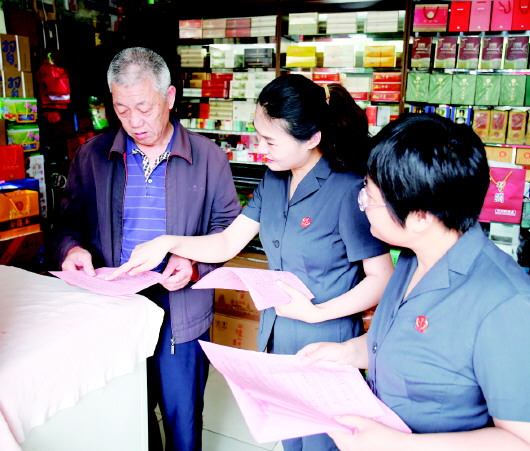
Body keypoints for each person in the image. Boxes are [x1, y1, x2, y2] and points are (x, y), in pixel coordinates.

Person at [109, 74, 394, 451]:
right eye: (258, 136)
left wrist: (316, 313)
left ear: (312, 138)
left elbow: (381, 278)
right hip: (276, 336)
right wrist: (167, 243)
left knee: (322, 444)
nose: (260, 148)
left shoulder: (347, 189)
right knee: (291, 441)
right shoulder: (274, 181)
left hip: (326, 343)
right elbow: (228, 241)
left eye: (270, 141)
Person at [297, 113, 530, 450]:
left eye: (369, 195)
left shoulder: (507, 305)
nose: (363, 206)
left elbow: (521, 440)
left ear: (420, 216)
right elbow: (402, 347)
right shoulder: (412, 257)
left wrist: (397, 445)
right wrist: (347, 353)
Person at [53, 47, 241, 451]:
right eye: (122, 110)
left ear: (169, 97)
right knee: (128, 418)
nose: (134, 122)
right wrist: (72, 250)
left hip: (181, 310)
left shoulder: (208, 157)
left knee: (182, 421)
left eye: (144, 108)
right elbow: (68, 221)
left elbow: (228, 230)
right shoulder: (93, 155)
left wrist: (193, 264)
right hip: (115, 307)